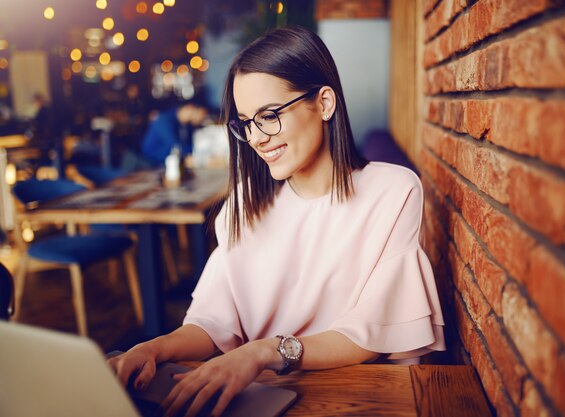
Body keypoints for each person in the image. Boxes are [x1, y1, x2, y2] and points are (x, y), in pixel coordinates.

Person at [109, 26, 445, 417]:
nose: (257, 138)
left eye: (269, 116)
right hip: (262, 399)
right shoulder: (242, 205)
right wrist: (152, 348)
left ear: (324, 103)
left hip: (351, 396)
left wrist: (263, 352)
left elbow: (370, 333)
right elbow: (212, 323)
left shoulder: (393, 191)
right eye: (246, 122)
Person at [141, 102, 208, 165]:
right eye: (201, 114)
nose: (201, 118)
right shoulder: (164, 120)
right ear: (189, 108)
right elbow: (175, 145)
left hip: (169, 163)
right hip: (150, 163)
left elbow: (190, 147)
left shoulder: (187, 126)